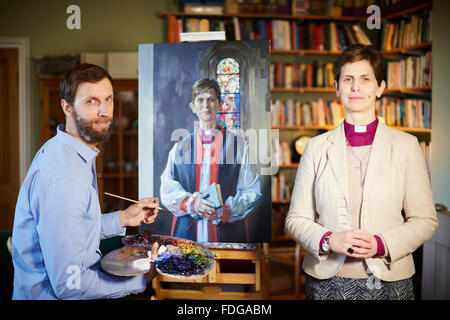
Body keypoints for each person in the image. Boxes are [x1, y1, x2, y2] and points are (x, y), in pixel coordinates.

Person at [285, 44, 438, 300]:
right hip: (326, 282)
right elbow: (295, 219)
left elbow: (425, 220)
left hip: (390, 280)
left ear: (380, 87)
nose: (356, 87)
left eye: (365, 79)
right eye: (348, 79)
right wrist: (328, 239)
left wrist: (381, 244)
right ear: (337, 88)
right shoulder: (315, 148)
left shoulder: (406, 146)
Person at [12, 64, 160, 300]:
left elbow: (75, 231)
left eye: (108, 99)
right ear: (67, 107)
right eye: (91, 101)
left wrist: (123, 217)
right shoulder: (64, 176)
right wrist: (140, 280)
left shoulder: (67, 151)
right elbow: (69, 285)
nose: (104, 111)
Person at [160, 79, 261, 243]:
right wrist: (192, 203)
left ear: (220, 105)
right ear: (193, 107)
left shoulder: (239, 147)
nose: (206, 105)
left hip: (226, 232)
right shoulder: (180, 148)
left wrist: (223, 211)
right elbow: (167, 188)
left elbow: (252, 190)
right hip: (189, 230)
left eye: (211, 99)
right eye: (200, 100)